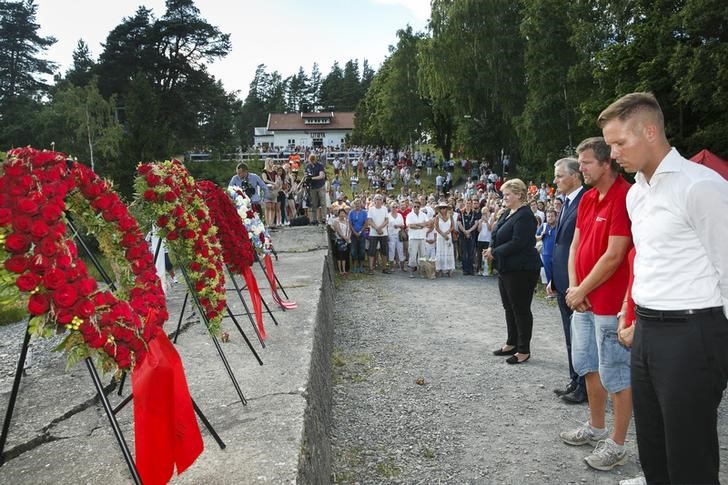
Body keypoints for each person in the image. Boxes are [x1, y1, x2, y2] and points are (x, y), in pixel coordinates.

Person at [600, 92, 728, 483]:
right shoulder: (637, 194)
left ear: (650, 131)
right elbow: (650, 264)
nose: (613, 154)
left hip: (694, 332)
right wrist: (637, 317)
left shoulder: (700, 185)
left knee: (689, 457)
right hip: (648, 332)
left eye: (620, 143)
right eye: (609, 145)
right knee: (653, 452)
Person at [559, 137, 633, 472]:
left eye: (586, 162)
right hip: (584, 301)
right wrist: (576, 287)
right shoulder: (588, 198)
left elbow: (615, 255)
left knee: (616, 373)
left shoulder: (624, 195)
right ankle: (596, 426)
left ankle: (617, 444)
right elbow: (576, 245)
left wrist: (581, 289)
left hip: (607, 303)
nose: (581, 168)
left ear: (606, 163)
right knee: (588, 365)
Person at [484, 179, 541, 364]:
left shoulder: (525, 215)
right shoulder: (508, 213)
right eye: (504, 194)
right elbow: (495, 233)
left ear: (519, 194)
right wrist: (491, 248)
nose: (505, 197)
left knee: (521, 308)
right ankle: (512, 342)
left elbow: (519, 242)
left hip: (522, 269)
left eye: (508, 194)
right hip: (507, 267)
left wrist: (495, 252)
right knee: (509, 307)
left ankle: (523, 350)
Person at [547, 157, 587, 405]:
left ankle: (584, 386)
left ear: (575, 175)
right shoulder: (567, 202)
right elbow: (561, 245)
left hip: (576, 284)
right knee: (570, 335)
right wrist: (553, 278)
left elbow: (581, 247)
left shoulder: (585, 201)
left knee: (580, 337)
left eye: (560, 175)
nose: (555, 180)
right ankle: (575, 379)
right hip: (562, 280)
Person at [405, 199, 430, 279]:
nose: (416, 208)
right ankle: (411, 273)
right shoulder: (409, 215)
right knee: (412, 255)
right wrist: (421, 225)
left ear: (420, 207)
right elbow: (410, 225)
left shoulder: (423, 214)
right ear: (412, 206)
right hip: (413, 237)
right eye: (415, 206)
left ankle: (421, 272)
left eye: (417, 206)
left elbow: (428, 223)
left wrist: (417, 225)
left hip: (422, 237)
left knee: (422, 255)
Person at [366, 195, 390, 274]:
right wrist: (377, 228)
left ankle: (384, 268)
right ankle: (371, 269)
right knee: (372, 251)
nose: (379, 201)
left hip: (383, 233)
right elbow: (369, 220)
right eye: (377, 199)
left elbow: (386, 220)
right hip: (373, 233)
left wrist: (380, 228)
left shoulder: (385, 209)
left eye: (380, 199)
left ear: (382, 201)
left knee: (384, 251)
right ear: (374, 201)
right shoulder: (371, 209)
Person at [457, 198, 480, 275]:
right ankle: (465, 269)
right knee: (464, 253)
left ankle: (471, 269)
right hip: (462, 235)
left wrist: (469, 231)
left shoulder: (474, 213)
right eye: (467, 203)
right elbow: (459, 223)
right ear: (465, 203)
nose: (469, 204)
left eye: (470, 203)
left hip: (471, 235)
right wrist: (464, 231)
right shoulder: (461, 212)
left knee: (471, 253)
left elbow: (476, 223)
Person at [433, 202, 455, 277]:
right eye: (441, 208)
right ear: (439, 209)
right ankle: (439, 269)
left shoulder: (450, 216)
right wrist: (443, 234)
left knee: (448, 252)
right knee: (440, 252)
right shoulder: (437, 217)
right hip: (440, 237)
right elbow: (436, 227)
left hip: (448, 236)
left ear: (446, 208)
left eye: (444, 208)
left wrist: (448, 232)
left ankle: (449, 269)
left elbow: (452, 226)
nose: (443, 209)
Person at [304, 154, 327, 225]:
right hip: (312, 187)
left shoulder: (320, 166)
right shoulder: (308, 166)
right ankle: (314, 219)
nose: (311, 162)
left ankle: (324, 218)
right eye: (310, 161)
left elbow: (321, 176)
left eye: (312, 160)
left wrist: (312, 178)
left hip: (320, 186)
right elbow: (306, 175)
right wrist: (306, 180)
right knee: (313, 203)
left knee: (323, 202)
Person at [536, 209, 557, 284]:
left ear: (556, 217)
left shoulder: (559, 226)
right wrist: (541, 235)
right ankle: (551, 292)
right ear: (546, 217)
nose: (550, 218)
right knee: (548, 273)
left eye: (552, 216)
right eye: (548, 216)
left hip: (556, 254)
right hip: (546, 254)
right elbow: (536, 237)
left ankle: (558, 291)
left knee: (557, 273)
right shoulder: (543, 226)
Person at [348, 198, 368, 274]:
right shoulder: (351, 212)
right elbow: (350, 223)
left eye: (359, 202)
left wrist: (360, 232)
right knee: (353, 251)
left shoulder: (364, 212)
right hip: (353, 235)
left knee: (362, 251)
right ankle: (355, 266)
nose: (357, 204)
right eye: (356, 202)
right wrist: (354, 232)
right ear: (354, 204)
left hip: (362, 234)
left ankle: (361, 266)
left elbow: (366, 223)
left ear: (361, 204)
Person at [261, 158, 281, 228]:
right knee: (268, 207)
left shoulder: (274, 172)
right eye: (271, 162)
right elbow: (265, 180)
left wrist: (276, 184)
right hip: (267, 189)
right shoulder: (264, 171)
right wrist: (273, 183)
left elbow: (277, 179)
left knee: (273, 207)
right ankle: (267, 222)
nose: (272, 163)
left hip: (273, 190)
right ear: (268, 163)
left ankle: (271, 222)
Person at [331, 208, 351, 276]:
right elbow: (338, 231)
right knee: (339, 256)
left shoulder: (347, 221)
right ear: (338, 214)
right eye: (341, 213)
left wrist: (348, 237)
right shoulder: (336, 221)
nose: (342, 214)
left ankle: (344, 269)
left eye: (343, 213)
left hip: (346, 240)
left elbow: (349, 230)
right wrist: (344, 237)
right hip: (339, 240)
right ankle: (340, 270)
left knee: (345, 256)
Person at [387, 202, 406, 271]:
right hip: (391, 235)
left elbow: (403, 225)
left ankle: (402, 267)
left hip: (399, 234)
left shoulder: (400, 215)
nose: (394, 208)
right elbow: (386, 226)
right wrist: (387, 235)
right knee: (391, 250)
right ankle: (391, 266)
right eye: (393, 207)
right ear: (390, 208)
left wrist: (398, 226)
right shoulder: (388, 215)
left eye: (395, 207)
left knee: (400, 250)